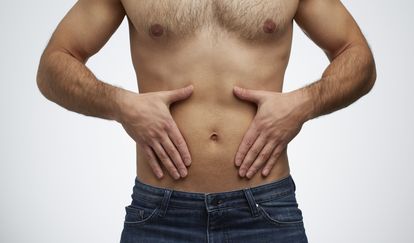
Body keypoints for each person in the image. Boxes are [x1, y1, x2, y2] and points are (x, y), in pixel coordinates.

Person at [36, 0, 376, 242]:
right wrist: (122, 105)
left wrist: (303, 103)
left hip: (265, 210)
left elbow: (358, 56)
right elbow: (54, 65)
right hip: (160, 213)